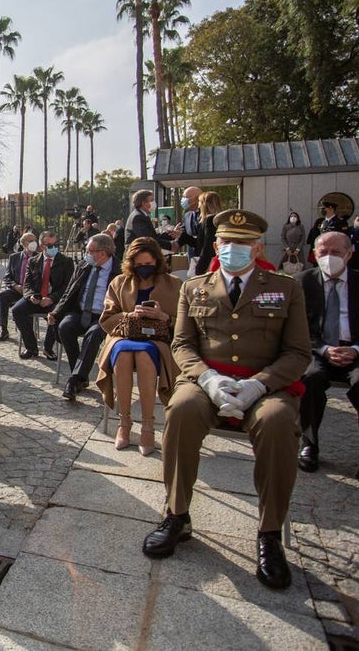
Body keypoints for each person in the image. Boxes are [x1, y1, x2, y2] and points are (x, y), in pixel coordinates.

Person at [141, 209, 310, 591]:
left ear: (257, 247)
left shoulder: (286, 288)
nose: (233, 249)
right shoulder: (195, 287)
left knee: (278, 422)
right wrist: (208, 378)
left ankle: (268, 532)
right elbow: (182, 343)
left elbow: (299, 352)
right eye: (227, 242)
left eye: (243, 243)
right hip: (207, 381)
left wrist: (259, 385)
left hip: (264, 386)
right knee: (181, 409)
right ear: (216, 245)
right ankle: (176, 514)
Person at [297, 232, 359, 482]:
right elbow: (296, 328)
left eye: (336, 252)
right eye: (323, 252)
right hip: (319, 350)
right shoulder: (301, 282)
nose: (329, 257)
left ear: (349, 254)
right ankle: (309, 443)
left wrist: (357, 350)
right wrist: (324, 349)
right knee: (309, 379)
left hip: (357, 351)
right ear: (314, 254)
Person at [95, 237, 181, 455]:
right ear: (132, 264)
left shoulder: (174, 285)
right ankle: (124, 422)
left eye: (149, 264)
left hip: (157, 340)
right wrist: (129, 316)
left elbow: (186, 324)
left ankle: (148, 425)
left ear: (157, 261)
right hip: (123, 336)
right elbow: (106, 319)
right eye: (140, 265)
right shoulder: (119, 283)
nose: (145, 269)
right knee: (124, 354)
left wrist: (164, 317)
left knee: (143, 355)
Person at [51, 234, 117, 398]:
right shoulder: (83, 266)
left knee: (93, 335)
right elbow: (69, 291)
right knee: (65, 327)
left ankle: (74, 379)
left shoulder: (119, 270)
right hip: (80, 311)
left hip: (104, 316)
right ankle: (80, 376)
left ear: (102, 253)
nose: (86, 254)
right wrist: (56, 311)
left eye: (89, 251)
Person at [13, 230, 74, 360]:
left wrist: (51, 299)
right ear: (42, 246)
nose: (53, 248)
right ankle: (31, 347)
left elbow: (67, 287)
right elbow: (27, 283)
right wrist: (30, 296)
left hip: (54, 299)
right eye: (49, 245)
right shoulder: (33, 261)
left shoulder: (66, 262)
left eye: (55, 245)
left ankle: (48, 348)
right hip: (36, 298)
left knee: (57, 313)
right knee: (17, 310)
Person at [0, 233, 38, 341]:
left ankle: (28, 333)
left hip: (32, 293)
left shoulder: (39, 257)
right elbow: (7, 277)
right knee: (2, 296)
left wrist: (29, 289)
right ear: (23, 243)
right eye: (30, 240)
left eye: (34, 240)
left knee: (26, 306)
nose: (33, 243)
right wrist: (15, 286)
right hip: (17, 290)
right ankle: (4, 329)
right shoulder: (14, 257)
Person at [193, 191, 224, 277]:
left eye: (199, 202)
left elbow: (208, 245)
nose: (198, 205)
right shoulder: (220, 220)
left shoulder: (210, 220)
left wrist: (200, 268)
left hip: (210, 263)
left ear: (204, 204)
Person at [176, 185, 203, 266]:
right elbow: (184, 233)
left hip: (204, 254)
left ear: (196, 198)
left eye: (186, 197)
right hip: (191, 253)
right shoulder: (187, 215)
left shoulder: (206, 215)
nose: (183, 200)